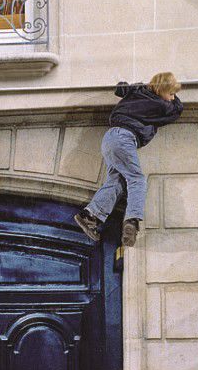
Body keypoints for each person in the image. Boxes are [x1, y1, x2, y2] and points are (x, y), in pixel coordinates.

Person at [73, 73, 182, 250]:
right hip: (124, 138)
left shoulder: (137, 92)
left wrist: (134, 86)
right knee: (137, 180)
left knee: (116, 181)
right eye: (171, 93)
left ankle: (90, 216)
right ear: (162, 90)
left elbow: (121, 88)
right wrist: (174, 99)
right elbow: (176, 111)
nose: (172, 98)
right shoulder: (159, 105)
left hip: (110, 138)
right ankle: (132, 221)